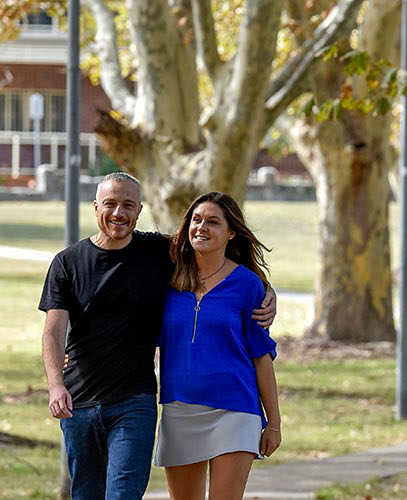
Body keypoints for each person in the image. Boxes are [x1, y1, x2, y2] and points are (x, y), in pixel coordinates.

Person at [39, 173, 276, 500]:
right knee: (86, 494)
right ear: (95, 207)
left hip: (135, 402)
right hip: (84, 400)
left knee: (123, 495)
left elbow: (216, 262)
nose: (118, 213)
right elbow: (53, 331)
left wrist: (266, 290)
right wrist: (55, 383)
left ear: (139, 210)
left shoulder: (157, 252)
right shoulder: (67, 263)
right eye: (110, 204)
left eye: (127, 205)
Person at [154, 192, 281, 500]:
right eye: (196, 220)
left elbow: (261, 357)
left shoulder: (248, 285)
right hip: (180, 407)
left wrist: (273, 423)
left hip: (235, 409)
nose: (202, 228)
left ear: (231, 232)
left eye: (213, 222)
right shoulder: (166, 278)